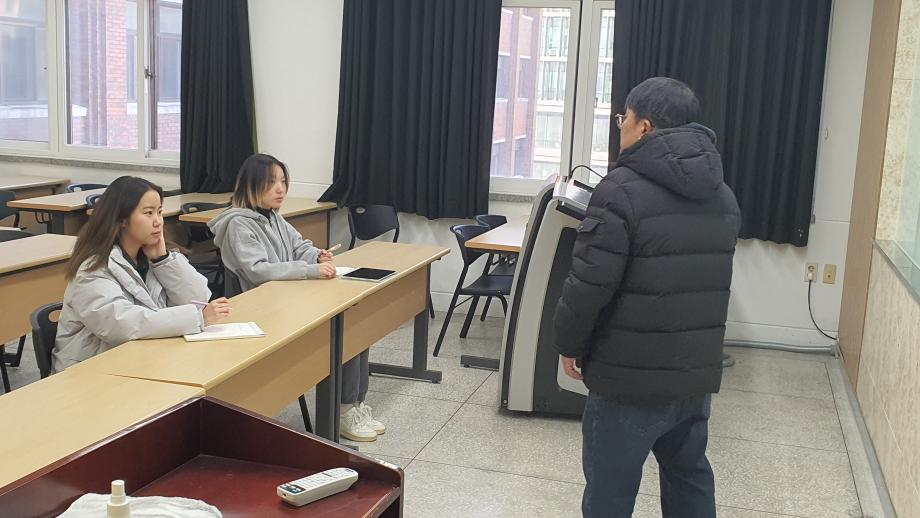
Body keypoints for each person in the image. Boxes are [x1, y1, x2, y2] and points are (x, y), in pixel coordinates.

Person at [553, 77, 741, 517]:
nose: (620, 126)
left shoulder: (619, 190)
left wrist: (569, 344)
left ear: (645, 126)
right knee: (689, 478)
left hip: (627, 378)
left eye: (624, 118)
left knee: (611, 491)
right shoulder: (722, 195)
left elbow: (589, 284)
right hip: (693, 375)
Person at [209, 153, 385, 442]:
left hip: (285, 301)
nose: (280, 189)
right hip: (261, 312)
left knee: (354, 324)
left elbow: (298, 245)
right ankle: (342, 411)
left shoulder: (273, 216)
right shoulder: (238, 224)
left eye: (283, 181)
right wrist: (309, 269)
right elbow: (258, 271)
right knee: (343, 331)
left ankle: (354, 404)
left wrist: (316, 255)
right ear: (250, 185)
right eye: (271, 182)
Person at [53, 176, 231, 373]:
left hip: (138, 360)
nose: (158, 222)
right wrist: (196, 318)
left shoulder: (150, 257)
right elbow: (121, 324)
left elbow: (198, 299)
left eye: (159, 212)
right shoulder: (93, 268)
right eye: (148, 213)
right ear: (122, 219)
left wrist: (163, 260)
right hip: (90, 371)